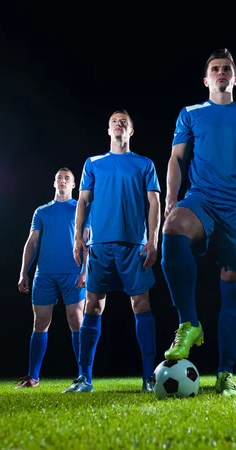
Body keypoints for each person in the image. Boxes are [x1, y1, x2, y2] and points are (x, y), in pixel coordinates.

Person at [161, 48, 236, 397]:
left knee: (233, 285)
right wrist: (170, 198)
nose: (221, 73)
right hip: (202, 198)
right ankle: (189, 322)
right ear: (206, 79)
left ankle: (225, 374)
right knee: (173, 228)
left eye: (226, 69)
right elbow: (176, 158)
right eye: (215, 69)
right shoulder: (190, 113)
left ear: (234, 78)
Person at [63, 109, 161, 393]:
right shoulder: (93, 164)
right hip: (99, 246)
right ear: (109, 130)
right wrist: (78, 238)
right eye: (114, 122)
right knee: (92, 305)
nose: (119, 124)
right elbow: (82, 201)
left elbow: (154, 203)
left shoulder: (144, 164)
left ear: (131, 131)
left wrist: (153, 240)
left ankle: (147, 378)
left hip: (134, 245)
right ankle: (84, 378)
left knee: (141, 305)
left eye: (124, 122)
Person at [16, 168, 89, 389]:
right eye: (59, 178)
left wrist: (85, 271)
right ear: (54, 182)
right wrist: (23, 272)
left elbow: (87, 242)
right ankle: (33, 377)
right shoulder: (42, 211)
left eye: (67, 179)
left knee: (77, 321)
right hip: (44, 274)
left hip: (73, 273)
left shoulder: (80, 208)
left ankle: (83, 376)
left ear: (73, 184)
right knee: (40, 323)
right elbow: (32, 242)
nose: (63, 181)